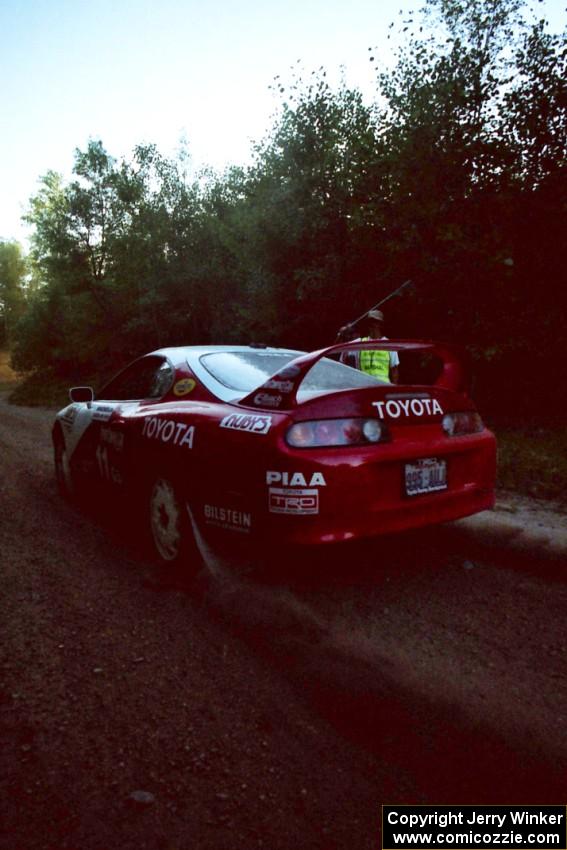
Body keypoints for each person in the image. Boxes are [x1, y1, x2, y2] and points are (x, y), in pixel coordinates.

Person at [338, 310, 399, 383]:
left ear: (380, 324)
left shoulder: (388, 345)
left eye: (375, 321)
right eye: (370, 321)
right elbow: (340, 351)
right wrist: (341, 335)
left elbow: (394, 372)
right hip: (365, 389)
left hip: (382, 389)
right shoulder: (360, 343)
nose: (372, 324)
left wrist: (392, 392)